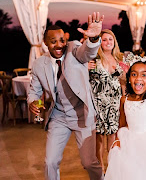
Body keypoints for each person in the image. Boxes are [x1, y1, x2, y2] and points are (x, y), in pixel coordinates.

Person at [27, 13, 105, 180]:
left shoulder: (74, 49)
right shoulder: (39, 64)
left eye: (62, 40)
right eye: (53, 41)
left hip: (82, 114)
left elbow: (87, 53)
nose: (59, 45)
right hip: (59, 116)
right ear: (45, 43)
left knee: (89, 162)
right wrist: (33, 101)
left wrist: (93, 39)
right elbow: (35, 90)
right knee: (50, 162)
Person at [88, 29, 127, 169]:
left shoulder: (119, 58)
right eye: (104, 40)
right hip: (98, 102)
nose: (108, 42)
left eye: (110, 39)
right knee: (99, 138)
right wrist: (85, 68)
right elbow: (82, 78)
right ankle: (100, 169)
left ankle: (112, 168)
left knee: (112, 136)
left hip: (114, 102)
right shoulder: (93, 59)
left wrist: (124, 100)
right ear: (100, 42)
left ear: (114, 42)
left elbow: (123, 82)